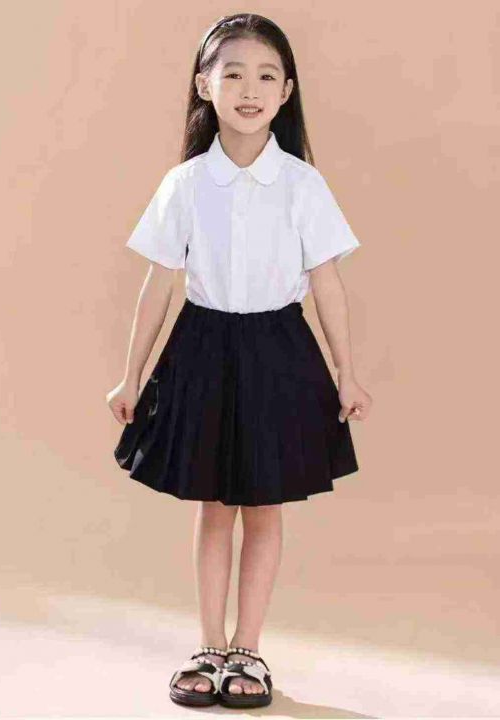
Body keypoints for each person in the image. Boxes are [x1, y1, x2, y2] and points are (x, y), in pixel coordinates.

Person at [106, 12, 372, 710]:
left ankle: (248, 648)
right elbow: (158, 285)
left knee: (262, 504)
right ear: (204, 85)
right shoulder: (186, 183)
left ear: (286, 91)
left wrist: (346, 373)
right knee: (213, 505)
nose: (249, 90)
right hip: (202, 347)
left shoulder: (302, 185)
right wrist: (131, 376)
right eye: (232, 74)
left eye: (265, 75)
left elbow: (327, 285)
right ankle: (208, 645)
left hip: (279, 351)